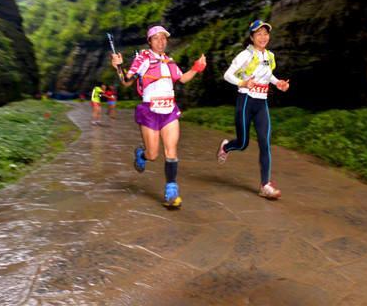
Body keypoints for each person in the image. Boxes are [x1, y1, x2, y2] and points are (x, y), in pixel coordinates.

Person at [111, 25, 206, 208]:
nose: (161, 41)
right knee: (153, 154)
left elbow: (183, 79)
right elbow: (126, 81)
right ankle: (142, 154)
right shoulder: (143, 58)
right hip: (150, 111)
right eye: (156, 38)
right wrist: (118, 67)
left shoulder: (169, 61)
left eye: (164, 38)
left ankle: (171, 190)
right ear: (149, 41)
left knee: (171, 151)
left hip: (169, 110)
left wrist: (196, 67)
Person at [218, 19, 290, 199]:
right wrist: (242, 82)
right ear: (252, 37)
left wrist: (278, 83)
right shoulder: (244, 55)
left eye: (266, 34)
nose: (263, 37)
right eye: (259, 34)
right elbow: (227, 75)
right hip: (246, 101)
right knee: (243, 144)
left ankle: (265, 185)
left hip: (261, 103)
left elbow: (268, 74)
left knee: (265, 143)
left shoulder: (269, 56)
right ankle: (227, 147)